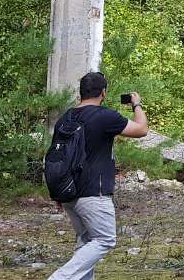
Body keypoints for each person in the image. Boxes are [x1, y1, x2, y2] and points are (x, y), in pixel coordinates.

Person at [48, 72, 148, 280]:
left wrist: (59, 193)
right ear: (103, 92)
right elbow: (141, 130)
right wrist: (136, 104)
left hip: (69, 193)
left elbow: (58, 157)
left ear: (81, 92)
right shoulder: (104, 116)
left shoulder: (65, 117)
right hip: (94, 193)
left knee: (86, 242)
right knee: (105, 240)